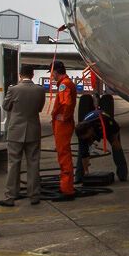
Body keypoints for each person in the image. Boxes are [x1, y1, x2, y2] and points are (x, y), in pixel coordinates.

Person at [2, 65, 46, 205]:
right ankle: (34, 195)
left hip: (16, 131)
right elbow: (39, 108)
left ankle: (11, 195)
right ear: (32, 75)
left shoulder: (13, 89)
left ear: (20, 75)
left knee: (14, 163)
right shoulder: (40, 90)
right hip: (33, 130)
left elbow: (5, 106)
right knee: (33, 163)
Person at [74, 109, 128, 182]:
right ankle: (79, 176)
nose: (84, 139)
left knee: (117, 147)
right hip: (91, 130)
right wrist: (86, 171)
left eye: (85, 137)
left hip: (109, 130)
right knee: (82, 151)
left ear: (90, 130)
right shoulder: (81, 132)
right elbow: (84, 154)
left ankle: (122, 174)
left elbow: (116, 128)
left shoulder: (107, 121)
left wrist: (115, 140)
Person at [50, 60, 77, 197]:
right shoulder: (66, 83)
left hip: (63, 125)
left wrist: (63, 117)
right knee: (63, 153)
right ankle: (66, 185)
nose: (52, 76)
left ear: (55, 72)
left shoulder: (64, 85)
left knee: (63, 154)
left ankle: (66, 187)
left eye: (52, 73)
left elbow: (66, 104)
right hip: (63, 123)